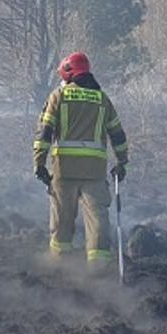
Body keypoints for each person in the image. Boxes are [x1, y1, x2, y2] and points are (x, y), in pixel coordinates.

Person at [32, 51, 129, 266]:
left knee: (62, 223)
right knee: (98, 221)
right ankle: (98, 269)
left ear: (68, 73)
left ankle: (59, 265)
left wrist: (39, 163)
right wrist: (122, 162)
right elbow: (118, 134)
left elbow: (45, 132)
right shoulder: (103, 99)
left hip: (64, 171)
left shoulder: (59, 96)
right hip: (94, 172)